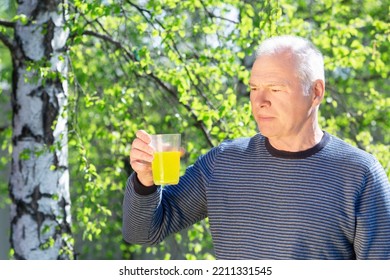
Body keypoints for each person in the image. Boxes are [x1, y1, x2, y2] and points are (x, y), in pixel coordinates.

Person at [122, 35, 390, 259]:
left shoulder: (360, 174)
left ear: (316, 92)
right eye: (253, 88)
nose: (259, 101)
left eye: (275, 89)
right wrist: (145, 183)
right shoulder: (223, 163)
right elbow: (143, 232)